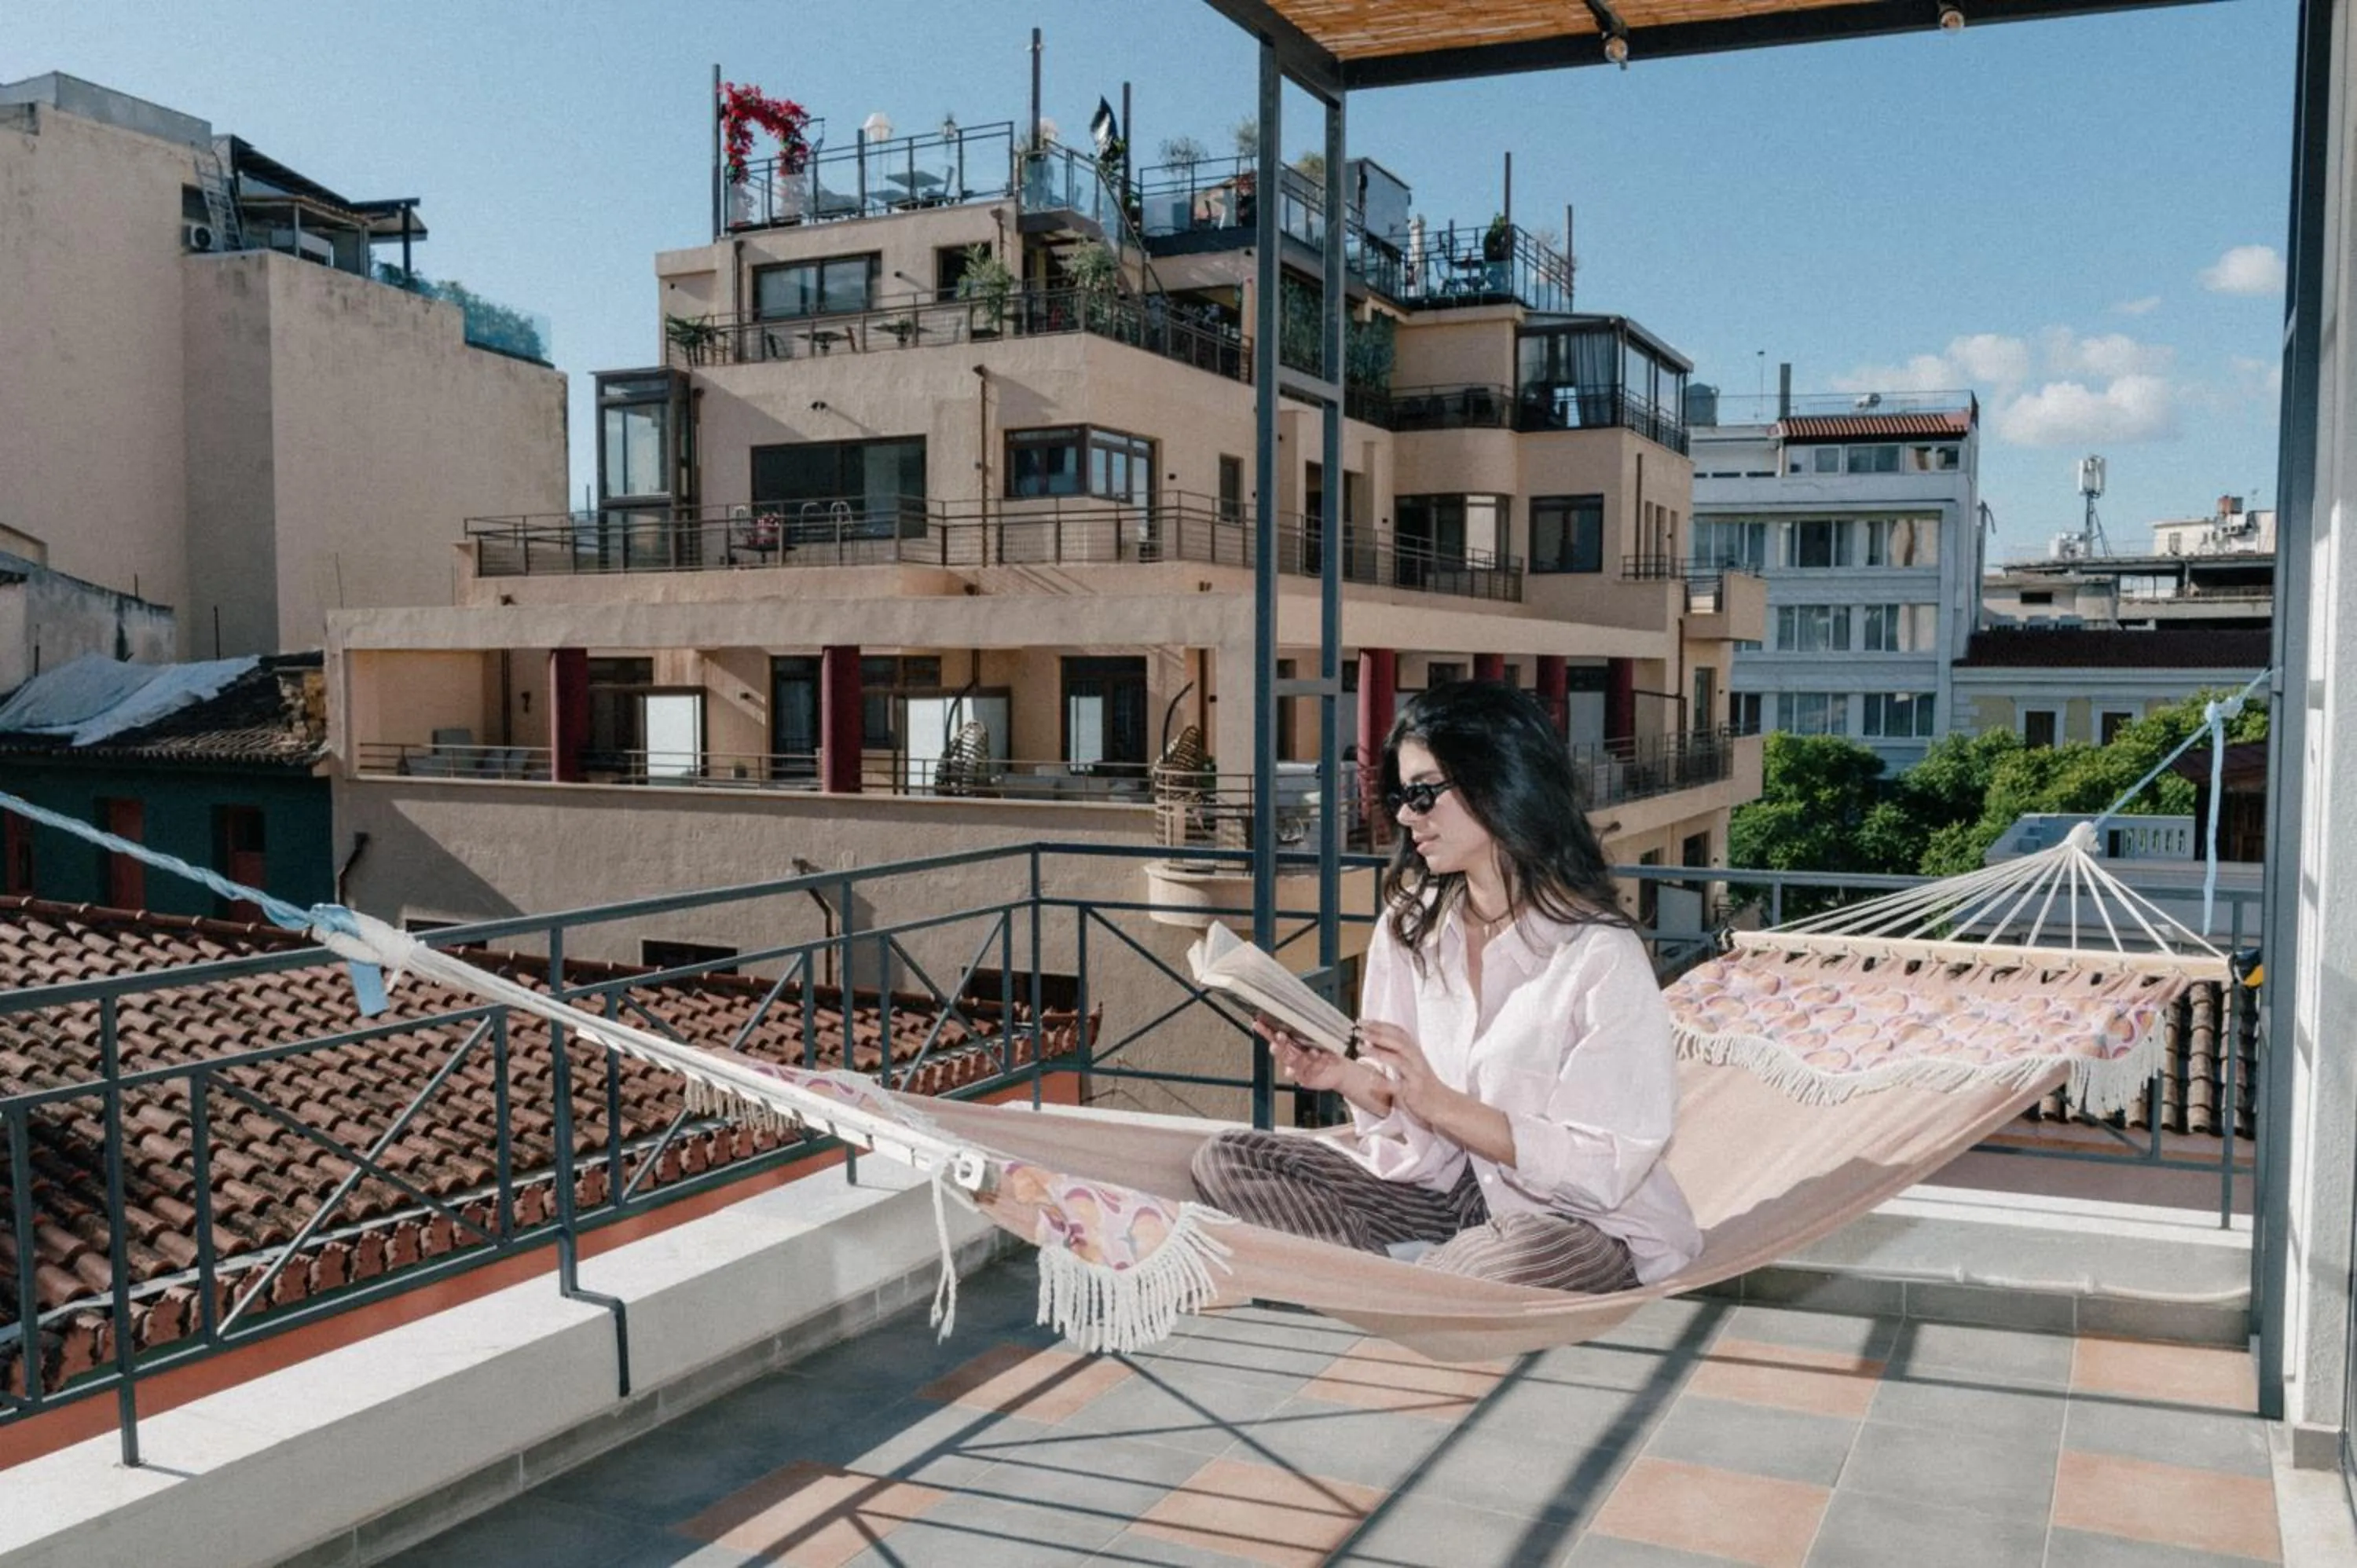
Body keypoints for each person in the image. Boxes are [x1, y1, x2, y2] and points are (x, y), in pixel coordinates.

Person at [1190, 680, 1701, 1291]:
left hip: (1577, 1222)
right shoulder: (1413, 924)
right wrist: (1341, 1075)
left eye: (1425, 793)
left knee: (1518, 1256)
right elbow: (1408, 1103)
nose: (1407, 815)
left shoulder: (1598, 956)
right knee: (1232, 1160)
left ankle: (1405, 1278)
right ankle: (1422, 1280)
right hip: (1450, 1192)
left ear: (1499, 782)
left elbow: (1605, 1167)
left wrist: (1444, 1106)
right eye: (1402, 796)